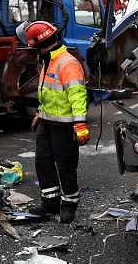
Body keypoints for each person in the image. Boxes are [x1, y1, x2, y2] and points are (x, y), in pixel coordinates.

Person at [16, 21, 89, 223]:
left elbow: (77, 96)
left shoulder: (67, 63)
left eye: (34, 47)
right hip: (46, 123)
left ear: (41, 44)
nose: (33, 51)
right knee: (43, 162)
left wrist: (80, 125)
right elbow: (48, 93)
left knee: (66, 167)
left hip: (64, 126)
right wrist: (40, 113)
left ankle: (69, 205)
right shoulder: (49, 60)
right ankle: (50, 202)